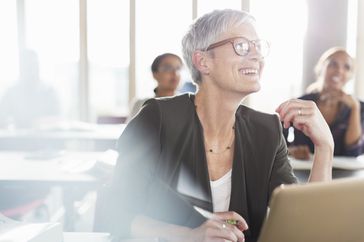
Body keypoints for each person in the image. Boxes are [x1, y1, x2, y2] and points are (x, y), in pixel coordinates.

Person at [104, 10, 333, 242]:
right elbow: (116, 214)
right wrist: (191, 236)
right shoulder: (157, 119)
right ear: (203, 61)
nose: (256, 56)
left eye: (258, 47)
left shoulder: (267, 130)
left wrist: (325, 147)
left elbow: (303, 223)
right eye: (242, 46)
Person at [284, 47, 364, 160]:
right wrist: (290, 151)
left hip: (344, 175)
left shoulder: (360, 107)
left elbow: (353, 151)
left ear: (350, 75)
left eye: (346, 67)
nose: (339, 70)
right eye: (333, 64)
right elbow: (278, 143)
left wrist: (355, 108)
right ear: (321, 68)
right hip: (305, 171)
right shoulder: (301, 103)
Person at [0, 49, 60, 129]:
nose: (32, 70)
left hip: (46, 139)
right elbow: (2, 118)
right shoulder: (11, 93)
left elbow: (58, 120)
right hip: (18, 139)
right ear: (22, 68)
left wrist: (38, 122)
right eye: (28, 66)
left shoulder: (49, 92)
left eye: (34, 65)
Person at [127, 53, 183, 121]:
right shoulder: (141, 104)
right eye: (168, 68)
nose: (175, 73)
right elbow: (132, 131)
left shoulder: (188, 105)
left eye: (178, 68)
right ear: (155, 74)